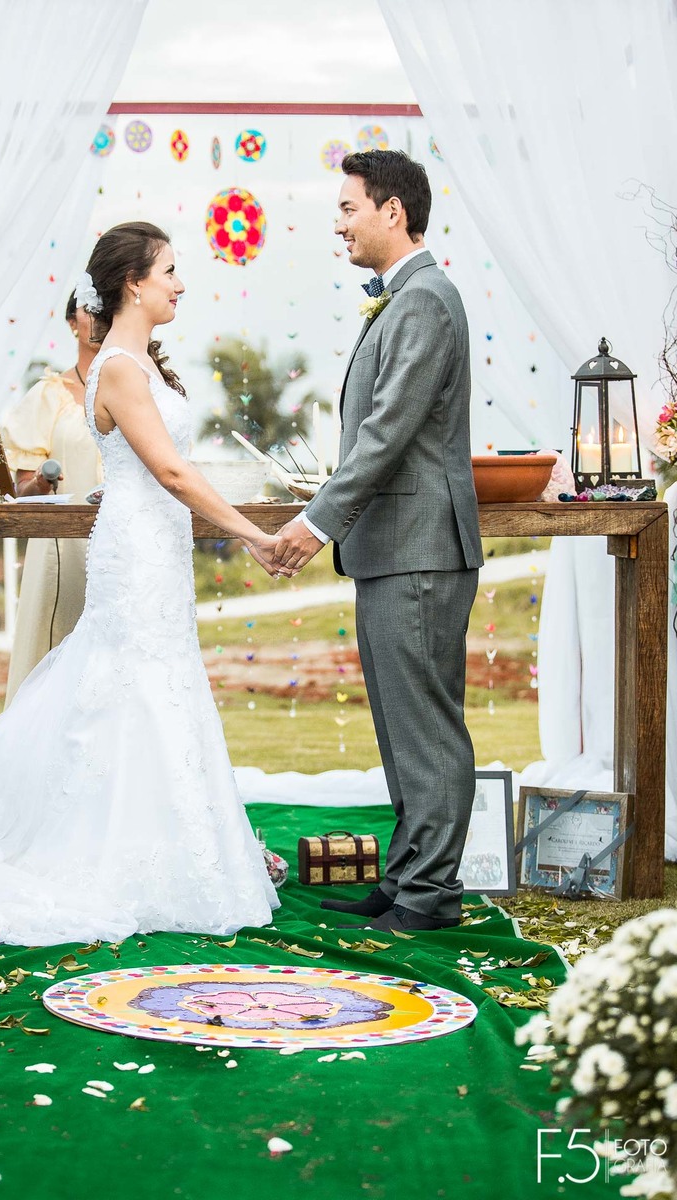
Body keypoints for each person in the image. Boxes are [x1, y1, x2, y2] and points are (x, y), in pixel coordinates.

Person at [0, 221, 287, 946]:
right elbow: (168, 470)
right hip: (138, 547)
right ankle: (115, 857)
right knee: (130, 685)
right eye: (169, 271)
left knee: (156, 685)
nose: (180, 283)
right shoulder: (123, 370)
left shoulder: (142, 365)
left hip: (152, 543)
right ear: (133, 282)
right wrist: (253, 535)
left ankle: (172, 848)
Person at [274, 150, 483, 933]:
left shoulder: (426, 299)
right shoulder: (402, 300)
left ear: (393, 212)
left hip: (420, 550)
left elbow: (389, 432)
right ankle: (406, 880)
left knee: (427, 728)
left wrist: (316, 521)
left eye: (348, 208)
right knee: (401, 728)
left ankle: (431, 896)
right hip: (394, 548)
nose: (339, 224)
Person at [1, 295, 102, 704]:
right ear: (71, 322)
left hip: (124, 538)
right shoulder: (47, 395)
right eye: (89, 311)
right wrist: (43, 482)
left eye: (104, 311)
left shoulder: (145, 387)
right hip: (61, 547)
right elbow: (21, 489)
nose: (97, 320)